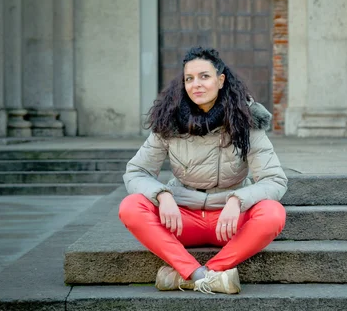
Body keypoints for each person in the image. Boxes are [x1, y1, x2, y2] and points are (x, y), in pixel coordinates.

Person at [118, 46, 287, 295]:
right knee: (131, 206)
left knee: (273, 213)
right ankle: (202, 276)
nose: (196, 84)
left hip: (229, 223)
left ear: (220, 81)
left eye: (204, 76)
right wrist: (162, 195)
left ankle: (196, 273)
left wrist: (237, 200)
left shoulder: (246, 121)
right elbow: (136, 172)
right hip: (181, 219)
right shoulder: (169, 121)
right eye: (189, 78)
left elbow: (274, 179)